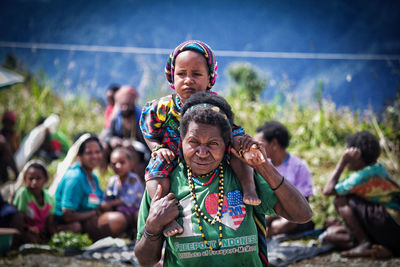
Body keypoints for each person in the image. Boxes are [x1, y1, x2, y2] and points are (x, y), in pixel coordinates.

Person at [134, 92, 312, 266]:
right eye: (194, 142)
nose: (202, 153)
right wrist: (153, 226)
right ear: (181, 141)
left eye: (213, 144)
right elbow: (145, 260)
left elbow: (302, 215)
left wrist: (262, 166)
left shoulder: (244, 176)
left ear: (226, 144)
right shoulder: (163, 184)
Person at [140, 40, 260, 237]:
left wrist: (240, 141)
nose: (188, 80)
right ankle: (164, 216)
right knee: (156, 169)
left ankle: (249, 188)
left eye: (196, 74)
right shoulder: (161, 107)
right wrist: (157, 148)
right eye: (181, 74)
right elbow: (148, 127)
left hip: (211, 149)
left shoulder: (215, 104)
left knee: (237, 153)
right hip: (171, 150)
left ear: (210, 77)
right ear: (172, 76)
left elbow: (227, 128)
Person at [323, 131, 400, 258]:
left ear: (356, 155)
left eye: (347, 154)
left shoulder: (361, 177)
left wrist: (341, 163)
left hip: (388, 223)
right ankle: (380, 249)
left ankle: (364, 243)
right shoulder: (379, 168)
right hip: (393, 228)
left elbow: (327, 190)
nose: (346, 159)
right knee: (331, 236)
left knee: (340, 200)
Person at [53, 133, 128, 241]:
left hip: (88, 219)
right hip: (74, 223)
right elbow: (67, 215)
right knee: (117, 220)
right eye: (89, 153)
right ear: (79, 156)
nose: (94, 156)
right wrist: (94, 213)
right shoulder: (75, 178)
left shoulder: (92, 177)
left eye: (97, 152)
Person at [255, 121, 314, 237]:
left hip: (288, 214)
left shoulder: (299, 166)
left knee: (286, 223)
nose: (256, 147)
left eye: (260, 143)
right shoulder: (261, 166)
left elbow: (303, 201)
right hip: (268, 211)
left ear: (274, 144)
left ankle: (262, 235)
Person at [12, 160, 55, 243]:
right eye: (30, 179)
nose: (34, 182)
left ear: (45, 179)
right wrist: (29, 228)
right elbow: (18, 219)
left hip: (41, 232)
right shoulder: (23, 193)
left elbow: (50, 224)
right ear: (25, 179)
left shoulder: (50, 199)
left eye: (38, 178)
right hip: (25, 231)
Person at [105, 147, 144, 238]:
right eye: (114, 164)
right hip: (119, 209)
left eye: (122, 163)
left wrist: (110, 203)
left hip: (133, 208)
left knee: (138, 216)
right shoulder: (113, 180)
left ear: (131, 164)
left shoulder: (133, 179)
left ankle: (136, 233)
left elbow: (129, 200)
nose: (118, 166)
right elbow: (108, 196)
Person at [0, 111, 19, 183]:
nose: (8, 125)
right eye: (6, 122)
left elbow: (16, 150)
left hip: (8, 164)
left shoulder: (14, 136)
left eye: (10, 123)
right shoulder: (1, 135)